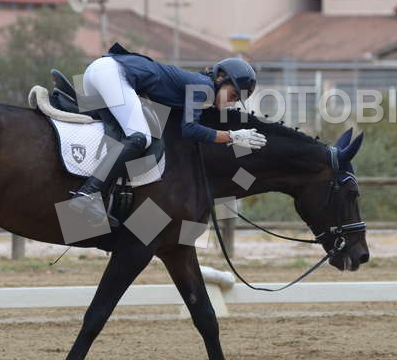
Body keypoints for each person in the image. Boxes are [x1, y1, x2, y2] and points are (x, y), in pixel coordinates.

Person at [72, 43, 266, 227]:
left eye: (236, 100)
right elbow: (189, 129)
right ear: (220, 78)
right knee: (140, 137)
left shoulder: (199, 86)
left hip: (97, 72)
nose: (231, 103)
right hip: (112, 74)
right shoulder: (204, 88)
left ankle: (101, 196)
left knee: (119, 135)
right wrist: (232, 136)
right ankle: (87, 194)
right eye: (233, 95)